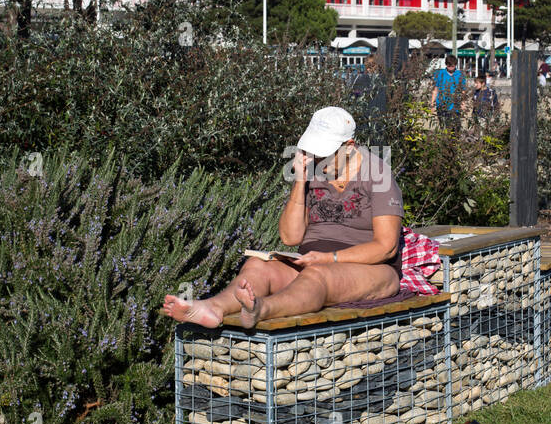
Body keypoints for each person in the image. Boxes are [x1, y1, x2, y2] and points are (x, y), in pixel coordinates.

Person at [161, 106, 404, 329]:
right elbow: (290, 237)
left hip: (371, 268)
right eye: (314, 152)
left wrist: (330, 258)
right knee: (257, 265)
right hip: (312, 261)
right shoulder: (314, 171)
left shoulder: (378, 175)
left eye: (324, 153)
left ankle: (261, 309)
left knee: (319, 275)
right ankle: (214, 307)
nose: (317, 159)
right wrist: (300, 181)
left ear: (349, 147)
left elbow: (386, 247)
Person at [431, 54, 466, 131]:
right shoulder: (439, 73)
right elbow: (435, 89)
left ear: (455, 65)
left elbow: (463, 90)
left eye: (452, 66)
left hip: (455, 105)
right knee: (444, 127)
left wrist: (463, 103)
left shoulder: (460, 75)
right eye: (448, 65)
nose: (450, 67)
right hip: (441, 104)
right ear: (446, 64)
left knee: (456, 128)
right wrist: (432, 104)